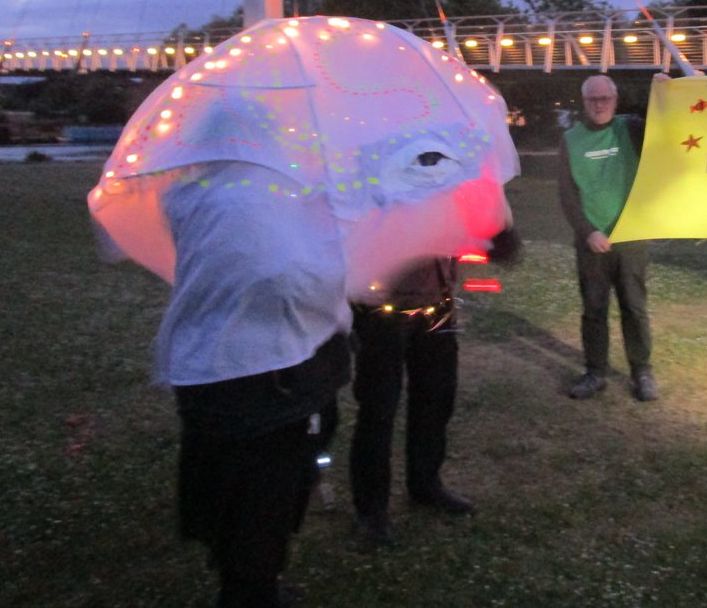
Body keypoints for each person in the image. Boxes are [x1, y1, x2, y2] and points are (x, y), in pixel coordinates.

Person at [158, 162, 353, 607]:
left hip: (209, 367)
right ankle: (250, 588)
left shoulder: (189, 191)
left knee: (230, 488)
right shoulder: (258, 196)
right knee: (262, 498)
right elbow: (282, 278)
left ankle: (249, 579)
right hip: (265, 377)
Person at [349, 225, 520, 546]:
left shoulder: (449, 176)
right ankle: (371, 510)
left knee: (436, 397)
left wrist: (498, 233)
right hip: (382, 308)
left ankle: (425, 482)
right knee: (378, 409)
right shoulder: (374, 175)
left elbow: (475, 220)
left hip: (437, 304)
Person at [558, 73, 658, 402]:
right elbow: (567, 194)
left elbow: (672, 121)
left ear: (615, 100)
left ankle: (641, 372)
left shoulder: (631, 129)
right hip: (592, 241)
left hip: (631, 237)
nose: (599, 105)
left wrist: (686, 88)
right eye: (592, 99)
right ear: (584, 102)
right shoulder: (571, 139)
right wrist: (588, 232)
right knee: (594, 309)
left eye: (605, 99)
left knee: (634, 306)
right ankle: (595, 372)